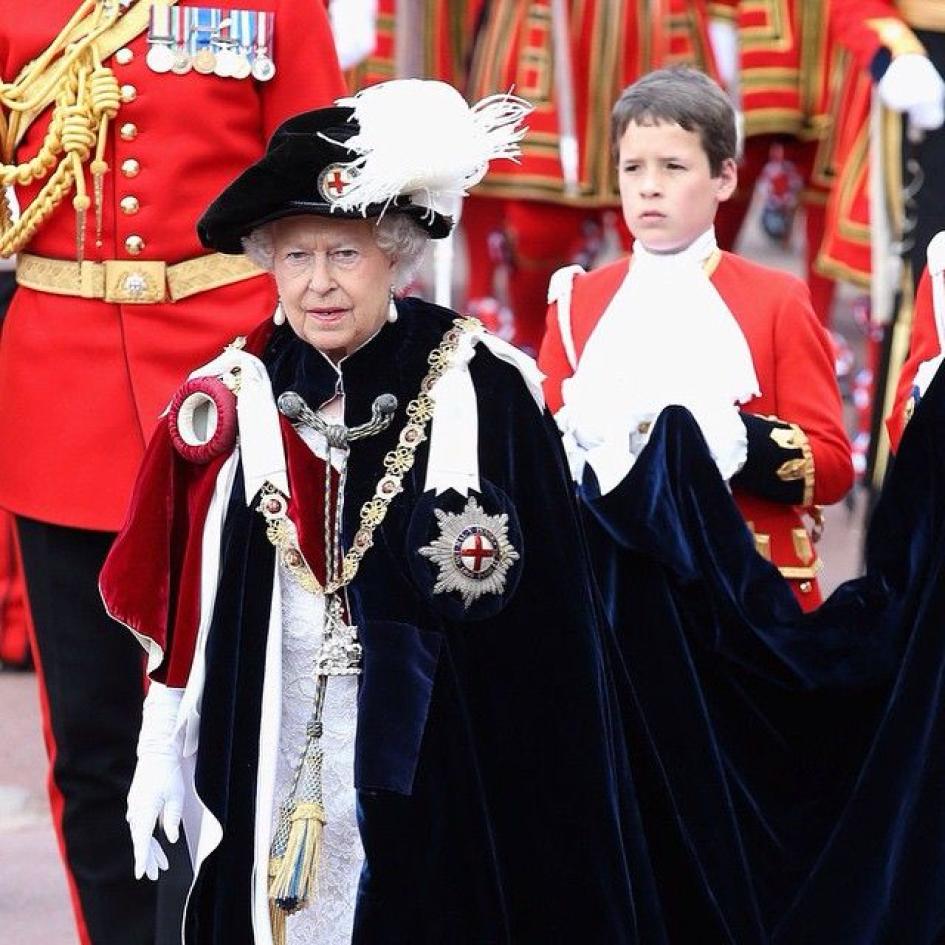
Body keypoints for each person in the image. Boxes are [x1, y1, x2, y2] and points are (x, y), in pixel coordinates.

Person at [99, 79, 651, 945]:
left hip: (444, 773)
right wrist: (159, 743)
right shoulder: (233, 395)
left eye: (344, 253)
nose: (318, 284)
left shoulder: (485, 386)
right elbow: (180, 593)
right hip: (269, 749)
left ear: (393, 252)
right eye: (296, 255)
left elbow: (555, 642)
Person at [0, 3, 346, 943]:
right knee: (95, 740)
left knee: (243, 723)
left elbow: (325, 180)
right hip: (56, 390)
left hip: (226, 382)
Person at [538, 67, 853, 609]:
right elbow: (545, 466)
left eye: (674, 167)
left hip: (746, 594)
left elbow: (830, 467)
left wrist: (734, 438)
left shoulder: (776, 299)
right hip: (616, 591)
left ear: (724, 179)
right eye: (632, 167)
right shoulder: (577, 302)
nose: (650, 185)